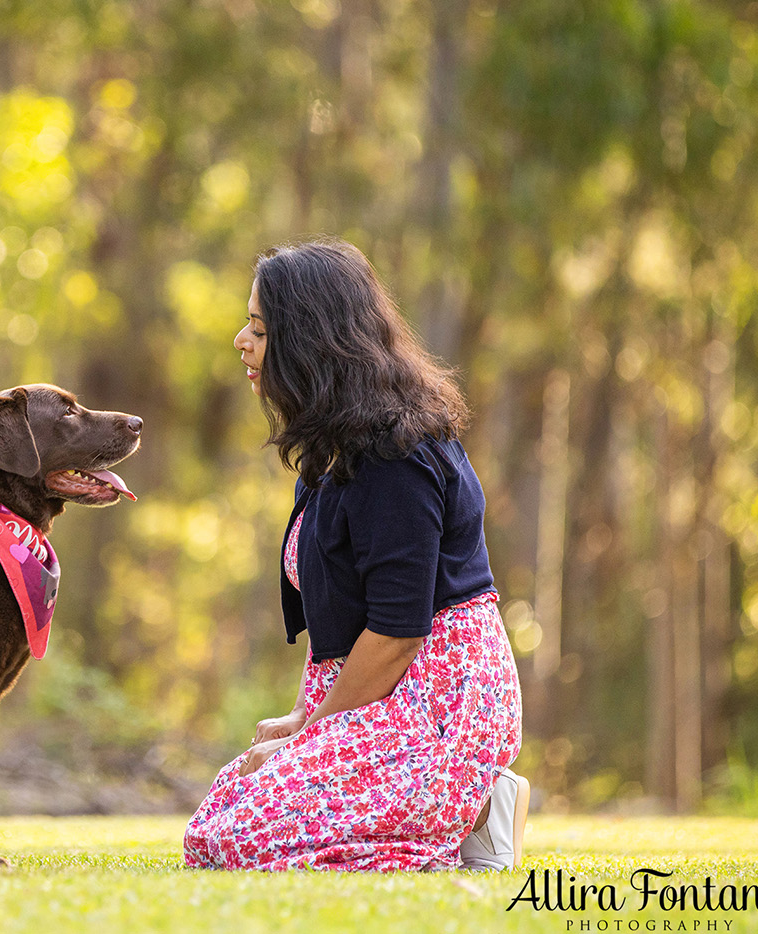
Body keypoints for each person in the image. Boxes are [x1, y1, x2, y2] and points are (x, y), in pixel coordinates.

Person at [183, 239, 528, 873]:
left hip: (436, 701)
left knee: (250, 839)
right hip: (372, 688)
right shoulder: (328, 450)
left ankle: (477, 805)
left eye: (259, 329)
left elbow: (398, 632)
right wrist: (299, 718)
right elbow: (339, 613)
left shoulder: (393, 457)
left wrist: (312, 735)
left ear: (308, 342)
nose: (240, 340)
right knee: (212, 829)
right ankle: (451, 815)